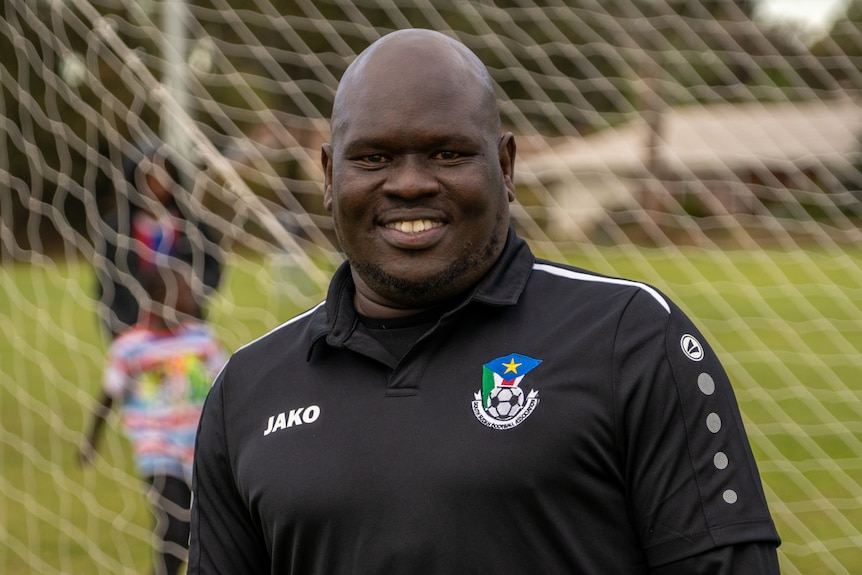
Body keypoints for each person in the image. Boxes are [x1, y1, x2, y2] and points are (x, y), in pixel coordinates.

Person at [188, 29, 781, 574]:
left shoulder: (632, 338)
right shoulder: (245, 390)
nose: (410, 183)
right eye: (373, 158)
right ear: (327, 174)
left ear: (505, 165)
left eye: (448, 154)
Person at [80, 263, 227, 575]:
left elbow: (228, 386)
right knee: (175, 525)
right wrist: (90, 440)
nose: (194, 295)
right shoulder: (130, 347)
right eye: (186, 289)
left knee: (205, 528)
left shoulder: (202, 340)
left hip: (200, 447)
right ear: (160, 296)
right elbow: (109, 394)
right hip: (157, 447)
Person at [94, 141, 223, 340]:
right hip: (135, 326)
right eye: (151, 176)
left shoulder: (190, 223)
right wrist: (117, 326)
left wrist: (195, 291)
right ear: (135, 178)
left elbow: (213, 263)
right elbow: (107, 285)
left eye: (164, 174)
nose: (159, 183)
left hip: (185, 325)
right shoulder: (117, 228)